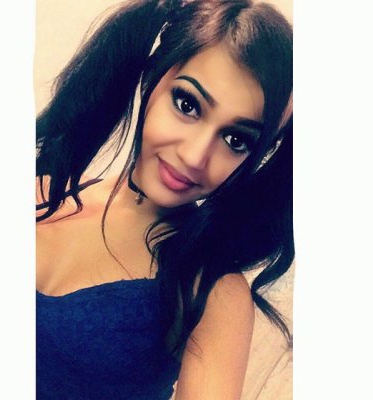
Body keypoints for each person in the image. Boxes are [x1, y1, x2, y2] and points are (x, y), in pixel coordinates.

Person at [36, 0, 293, 398]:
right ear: (153, 77)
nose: (194, 156)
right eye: (187, 105)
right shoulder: (42, 189)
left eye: (236, 140)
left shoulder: (211, 293)